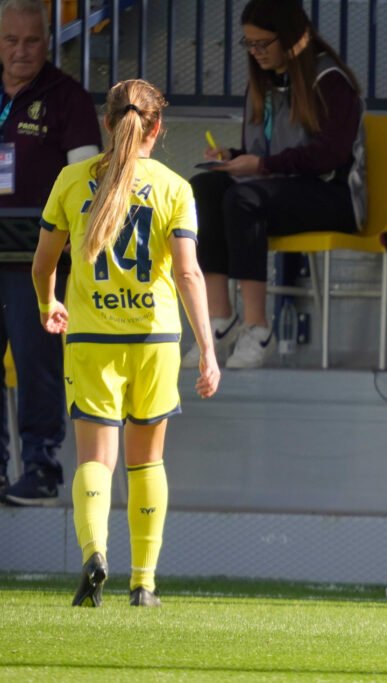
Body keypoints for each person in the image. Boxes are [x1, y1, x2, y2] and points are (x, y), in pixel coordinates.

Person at [32, 79, 220, 607]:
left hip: (91, 336)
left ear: (107, 123)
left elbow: (43, 264)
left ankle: (95, 552)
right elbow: (188, 273)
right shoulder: (174, 187)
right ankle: (144, 583)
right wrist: (208, 349)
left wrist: (48, 304)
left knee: (95, 458)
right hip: (154, 337)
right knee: (147, 461)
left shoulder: (72, 179)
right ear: (156, 128)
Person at [182, 0, 366, 369]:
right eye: (249, 44)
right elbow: (266, 150)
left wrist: (262, 165)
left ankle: (258, 327)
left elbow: (328, 155)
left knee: (243, 198)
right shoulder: (264, 82)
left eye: (263, 43)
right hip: (277, 188)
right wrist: (233, 156)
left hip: (332, 195)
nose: (255, 52)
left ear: (293, 38)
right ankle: (220, 317)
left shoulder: (329, 81)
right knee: (204, 187)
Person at [0, 0, 101, 506]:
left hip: (38, 261)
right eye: (10, 40)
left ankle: (41, 468)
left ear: (48, 41)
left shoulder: (68, 98)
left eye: (32, 40)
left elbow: (87, 187)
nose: (21, 51)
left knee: (36, 363)